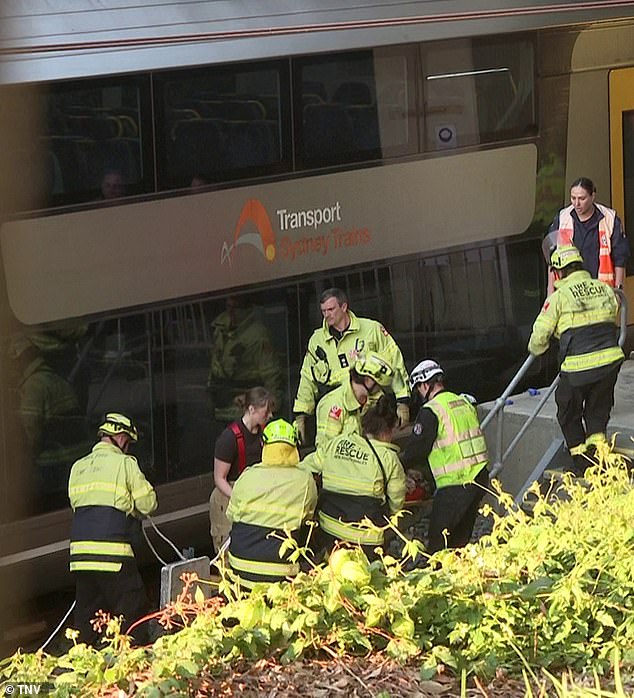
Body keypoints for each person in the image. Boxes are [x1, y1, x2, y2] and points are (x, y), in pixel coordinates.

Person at [528, 245, 624, 475]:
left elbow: (538, 338)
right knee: (597, 412)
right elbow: (613, 312)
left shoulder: (559, 297)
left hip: (577, 367)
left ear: (558, 272)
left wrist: (539, 348)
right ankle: (600, 458)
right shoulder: (603, 288)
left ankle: (583, 463)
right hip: (610, 362)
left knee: (568, 412)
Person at [68, 412, 157, 644]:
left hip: (80, 556)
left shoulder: (78, 467)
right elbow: (148, 504)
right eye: (128, 442)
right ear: (119, 437)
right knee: (133, 609)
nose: (127, 448)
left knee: (86, 617)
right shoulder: (125, 464)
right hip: (113, 554)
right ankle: (134, 661)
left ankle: (81, 665)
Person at [293, 288, 410, 442]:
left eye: (331, 309)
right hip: (335, 408)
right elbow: (307, 378)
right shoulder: (317, 340)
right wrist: (301, 416)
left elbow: (394, 363)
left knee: (375, 453)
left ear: (344, 307)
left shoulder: (371, 330)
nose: (327, 315)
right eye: (323, 311)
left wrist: (403, 401)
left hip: (370, 406)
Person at [401, 360, 489, 555]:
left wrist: (397, 466)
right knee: (460, 539)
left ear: (425, 385)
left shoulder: (432, 410)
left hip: (455, 484)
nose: (419, 395)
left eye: (418, 390)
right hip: (479, 479)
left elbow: (417, 450)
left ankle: (441, 579)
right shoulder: (462, 402)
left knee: (439, 543)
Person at [307, 394, 406, 558]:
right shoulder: (388, 458)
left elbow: (308, 466)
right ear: (389, 430)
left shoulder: (338, 442)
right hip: (367, 538)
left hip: (330, 530)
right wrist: (391, 518)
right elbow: (397, 499)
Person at [226, 419, 317, 588]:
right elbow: (308, 519)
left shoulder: (246, 476)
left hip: (240, 570)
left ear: (263, 444)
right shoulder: (305, 480)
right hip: (281, 575)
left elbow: (231, 515)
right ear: (295, 446)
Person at [12, 336, 90, 511]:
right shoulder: (54, 378)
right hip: (76, 455)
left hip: (55, 460)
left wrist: (22, 458)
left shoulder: (34, 386)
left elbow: (30, 429)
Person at [208, 387, 275, 554]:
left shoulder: (265, 433)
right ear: (251, 409)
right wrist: (238, 498)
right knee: (228, 550)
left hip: (254, 497)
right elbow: (219, 478)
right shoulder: (229, 438)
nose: (270, 416)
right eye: (266, 412)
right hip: (229, 498)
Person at [545, 177, 630, 293]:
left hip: (602, 291)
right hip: (570, 291)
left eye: (582, 198)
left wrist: (619, 290)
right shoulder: (563, 218)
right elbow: (553, 257)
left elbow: (620, 259)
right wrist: (550, 291)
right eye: (573, 198)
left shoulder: (610, 219)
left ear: (592, 196)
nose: (576, 203)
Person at [208, 296, 282, 422]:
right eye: (229, 307)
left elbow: (271, 374)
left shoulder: (258, 336)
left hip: (243, 410)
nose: (231, 312)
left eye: (235, 308)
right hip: (219, 404)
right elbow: (216, 361)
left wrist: (272, 406)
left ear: (245, 309)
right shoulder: (220, 327)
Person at [313, 351, 394, 448]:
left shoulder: (371, 402)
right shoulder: (333, 405)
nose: (380, 391)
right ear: (368, 381)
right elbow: (325, 451)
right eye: (379, 386)